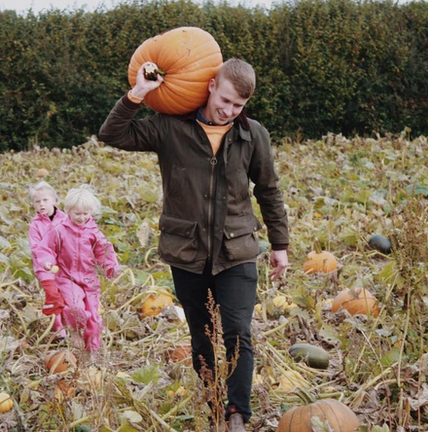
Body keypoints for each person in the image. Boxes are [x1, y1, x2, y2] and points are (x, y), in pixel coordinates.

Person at [98, 58, 289, 430]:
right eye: (226, 100)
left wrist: (279, 244)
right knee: (202, 338)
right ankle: (213, 404)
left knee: (238, 332)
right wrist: (138, 93)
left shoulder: (253, 135)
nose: (229, 111)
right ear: (212, 85)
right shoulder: (170, 127)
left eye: (238, 106)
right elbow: (112, 134)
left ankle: (236, 414)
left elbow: (268, 190)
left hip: (237, 251)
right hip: (187, 253)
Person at [38, 185, 120, 352]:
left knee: (94, 320)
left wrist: (110, 267)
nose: (82, 218)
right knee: (75, 308)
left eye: (85, 214)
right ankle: (75, 331)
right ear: (68, 211)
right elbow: (45, 247)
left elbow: (104, 251)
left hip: (89, 279)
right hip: (67, 277)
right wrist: (47, 261)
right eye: (77, 214)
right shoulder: (59, 230)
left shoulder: (93, 232)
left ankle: (92, 352)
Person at [28, 181, 66, 324]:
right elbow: (36, 248)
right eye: (37, 202)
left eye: (45, 200)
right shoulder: (35, 226)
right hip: (45, 269)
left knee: (66, 295)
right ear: (33, 204)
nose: (42, 204)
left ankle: (67, 323)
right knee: (53, 296)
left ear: (54, 201)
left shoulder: (65, 220)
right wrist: (46, 262)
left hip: (64, 268)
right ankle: (57, 328)